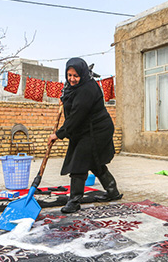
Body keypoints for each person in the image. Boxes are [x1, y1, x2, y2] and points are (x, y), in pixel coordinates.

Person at [48, 57, 122, 213]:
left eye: (76, 76)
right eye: (69, 75)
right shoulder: (74, 86)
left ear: (82, 74)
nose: (72, 79)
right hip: (85, 129)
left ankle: (74, 201)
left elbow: (77, 115)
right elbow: (72, 102)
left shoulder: (88, 88)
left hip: (97, 129)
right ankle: (112, 191)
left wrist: (58, 134)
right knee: (94, 161)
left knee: (79, 161)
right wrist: (64, 100)